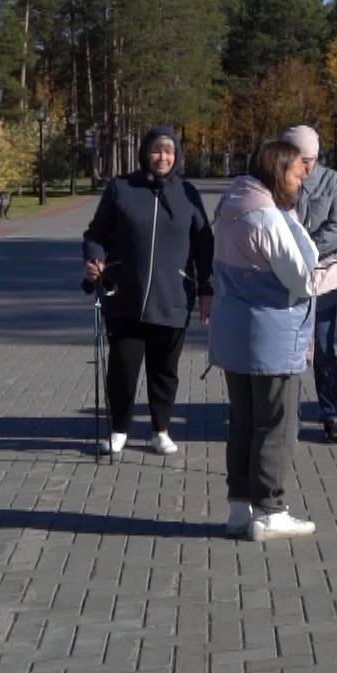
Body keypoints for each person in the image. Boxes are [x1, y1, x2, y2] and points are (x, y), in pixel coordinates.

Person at [209, 138, 337, 541]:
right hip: (271, 335)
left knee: (245, 422)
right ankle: (269, 510)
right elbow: (305, 281)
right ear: (275, 172)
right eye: (297, 173)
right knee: (278, 425)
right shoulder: (265, 218)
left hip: (235, 332)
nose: (303, 181)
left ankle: (240, 507)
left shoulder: (233, 204)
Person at [81, 125, 213, 456]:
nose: (162, 157)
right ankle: (119, 429)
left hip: (173, 297)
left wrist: (206, 291)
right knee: (123, 368)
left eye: (168, 151)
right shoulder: (121, 188)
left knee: (164, 371)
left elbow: (204, 245)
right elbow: (95, 234)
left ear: (177, 155)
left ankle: (160, 429)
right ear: (145, 153)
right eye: (156, 150)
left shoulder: (188, 194)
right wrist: (94, 260)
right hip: (126, 297)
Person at [281, 125, 337, 444]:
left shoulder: (331, 180)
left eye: (311, 159)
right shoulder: (276, 180)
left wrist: (307, 247)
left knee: (323, 350)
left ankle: (331, 414)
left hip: (323, 280)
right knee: (287, 351)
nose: (306, 166)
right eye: (300, 159)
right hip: (283, 279)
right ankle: (285, 416)